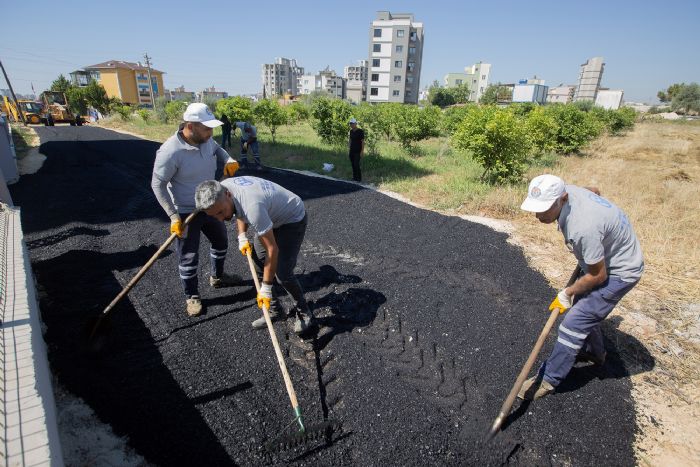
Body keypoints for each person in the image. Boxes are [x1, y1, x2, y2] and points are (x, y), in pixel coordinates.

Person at [518, 174, 644, 400]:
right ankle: (594, 353)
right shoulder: (570, 191)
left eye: (545, 210)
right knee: (585, 310)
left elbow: (598, 275)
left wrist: (567, 292)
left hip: (620, 271)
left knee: (573, 322)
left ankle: (549, 379)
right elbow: (594, 190)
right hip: (606, 259)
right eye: (536, 209)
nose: (538, 216)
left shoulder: (582, 228)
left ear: (563, 198)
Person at [151, 103, 241, 317]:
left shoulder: (207, 140)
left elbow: (217, 148)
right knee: (189, 256)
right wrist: (173, 216)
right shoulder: (170, 152)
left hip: (210, 204)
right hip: (186, 211)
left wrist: (227, 159)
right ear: (190, 126)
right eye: (207, 128)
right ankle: (191, 296)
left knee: (221, 242)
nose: (211, 133)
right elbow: (157, 185)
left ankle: (217, 277)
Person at [194, 177, 315, 335]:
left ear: (228, 194)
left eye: (220, 212)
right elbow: (238, 210)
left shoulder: (252, 208)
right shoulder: (225, 188)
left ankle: (304, 312)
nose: (220, 218)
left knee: (282, 273)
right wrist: (242, 235)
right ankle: (274, 311)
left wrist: (265, 288)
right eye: (214, 215)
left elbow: (273, 250)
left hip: (291, 219)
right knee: (258, 262)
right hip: (269, 216)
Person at [348, 117, 365, 182]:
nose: (351, 125)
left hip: (358, 151)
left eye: (352, 123)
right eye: (350, 123)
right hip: (352, 150)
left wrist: (362, 151)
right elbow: (350, 139)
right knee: (352, 164)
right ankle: (354, 177)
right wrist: (349, 147)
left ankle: (359, 178)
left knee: (356, 164)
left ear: (356, 124)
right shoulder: (351, 131)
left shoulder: (360, 131)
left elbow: (362, 141)